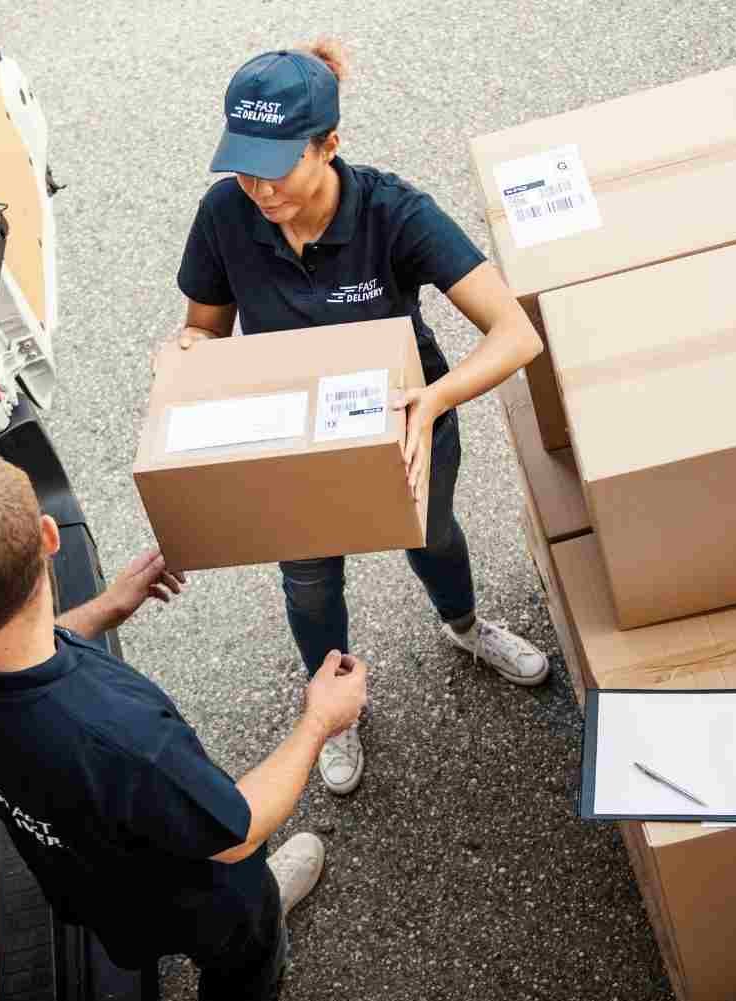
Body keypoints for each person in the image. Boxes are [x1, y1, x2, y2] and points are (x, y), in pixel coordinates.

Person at [0, 439, 371, 1001]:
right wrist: (318, 722)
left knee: (217, 900)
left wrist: (109, 607)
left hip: (88, 880)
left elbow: (12, 655)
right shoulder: (123, 736)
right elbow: (236, 831)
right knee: (248, 953)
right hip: (201, 893)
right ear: (50, 537)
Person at [174, 38, 550, 797]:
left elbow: (517, 333)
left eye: (278, 165)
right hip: (294, 446)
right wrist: (188, 352)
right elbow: (206, 329)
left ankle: (465, 626)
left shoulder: (393, 212)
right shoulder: (224, 215)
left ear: (331, 145)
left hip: (408, 423)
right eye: (244, 164)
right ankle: (333, 712)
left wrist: (433, 401)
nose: (258, 186)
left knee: (433, 533)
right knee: (310, 584)